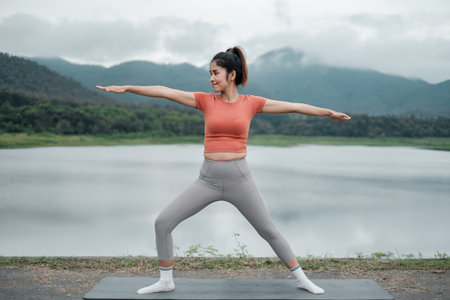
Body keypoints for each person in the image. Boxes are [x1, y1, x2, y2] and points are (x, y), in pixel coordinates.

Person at [96, 46, 351, 295]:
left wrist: (328, 113)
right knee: (162, 222)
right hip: (207, 180)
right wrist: (128, 88)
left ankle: (302, 279)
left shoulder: (251, 103)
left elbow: (295, 106)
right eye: (210, 73)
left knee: (269, 231)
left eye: (215, 73)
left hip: (240, 178)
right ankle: (165, 280)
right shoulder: (205, 101)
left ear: (232, 75)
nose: (211, 78)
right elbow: (165, 91)